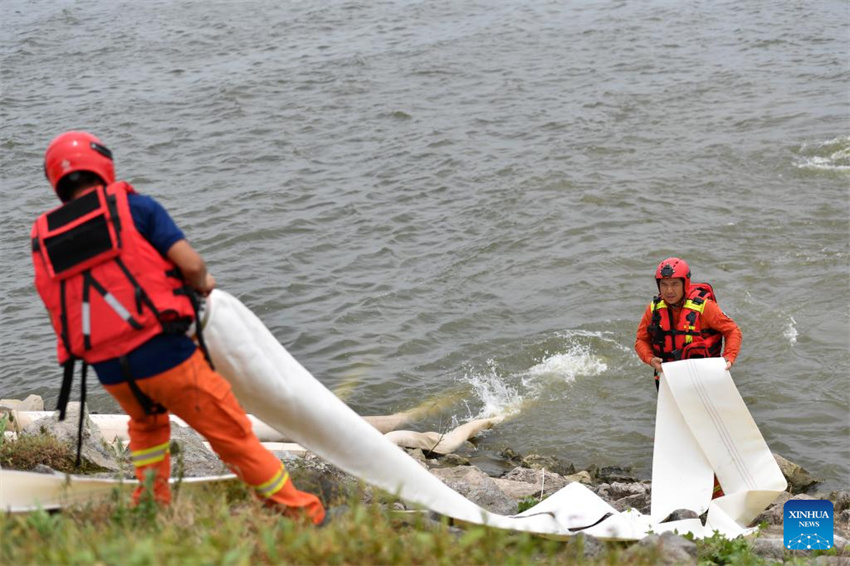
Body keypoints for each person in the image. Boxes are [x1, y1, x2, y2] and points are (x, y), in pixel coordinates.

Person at [30, 131, 325, 524]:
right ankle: (304, 514)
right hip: (164, 353)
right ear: (102, 163)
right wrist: (204, 285)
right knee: (231, 433)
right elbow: (190, 265)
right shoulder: (136, 208)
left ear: (57, 181)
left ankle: (151, 506)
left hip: (111, 369)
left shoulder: (44, 237)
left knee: (148, 426)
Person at [635, 257, 742, 389]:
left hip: (705, 374)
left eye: (675, 284)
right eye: (664, 284)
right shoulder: (653, 309)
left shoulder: (706, 307)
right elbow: (641, 340)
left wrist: (728, 357)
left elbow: (732, 331)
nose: (669, 291)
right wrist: (650, 359)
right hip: (670, 375)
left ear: (684, 284)